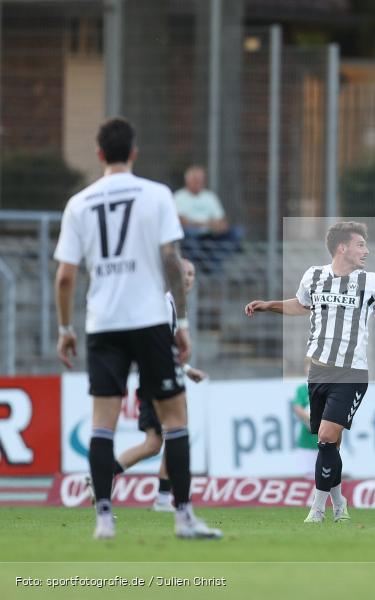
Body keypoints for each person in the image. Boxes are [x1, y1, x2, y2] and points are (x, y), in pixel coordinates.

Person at [54, 117, 221, 540]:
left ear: (98, 154)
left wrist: (65, 327)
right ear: (134, 153)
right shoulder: (157, 194)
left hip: (103, 323)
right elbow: (171, 261)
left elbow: (65, 277)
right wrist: (182, 323)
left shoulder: (79, 203)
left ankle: (103, 520)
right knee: (175, 419)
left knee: (102, 423)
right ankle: (184, 517)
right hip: (148, 319)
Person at [244, 221, 375, 524]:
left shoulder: (369, 281)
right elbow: (302, 305)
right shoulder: (314, 275)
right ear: (342, 248)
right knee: (330, 444)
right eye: (360, 245)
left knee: (325, 437)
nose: (366, 250)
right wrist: (270, 305)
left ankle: (317, 509)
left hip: (351, 373)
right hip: (318, 371)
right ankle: (339, 502)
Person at [93, 258, 208, 513]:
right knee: (175, 434)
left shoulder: (174, 304)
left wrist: (186, 370)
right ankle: (161, 499)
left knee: (155, 443)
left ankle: (107, 476)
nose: (188, 278)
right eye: (184, 273)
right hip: (158, 380)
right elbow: (159, 347)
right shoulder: (164, 303)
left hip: (159, 376)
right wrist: (181, 371)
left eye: (192, 274)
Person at [173, 165, 240, 269]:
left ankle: (212, 265)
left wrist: (196, 223)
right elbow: (181, 222)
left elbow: (222, 222)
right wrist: (209, 223)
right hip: (190, 236)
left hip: (210, 234)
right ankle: (202, 266)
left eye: (201, 179)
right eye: (195, 179)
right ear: (187, 181)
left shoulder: (210, 197)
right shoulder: (178, 197)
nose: (199, 182)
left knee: (236, 232)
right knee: (189, 235)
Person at [292, 360, 318, 479]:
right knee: (310, 473)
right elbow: (297, 407)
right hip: (308, 435)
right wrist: (310, 418)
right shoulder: (302, 389)